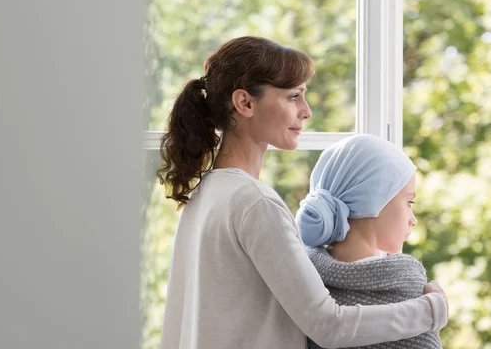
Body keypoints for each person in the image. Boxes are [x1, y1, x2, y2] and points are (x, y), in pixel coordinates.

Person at [157, 36, 447, 349]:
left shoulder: (205, 193)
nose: (306, 111)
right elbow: (329, 325)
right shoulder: (255, 203)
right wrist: (431, 309)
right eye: (293, 97)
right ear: (245, 103)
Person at [297, 134, 443, 348]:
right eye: (409, 202)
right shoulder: (408, 287)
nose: (413, 219)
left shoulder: (307, 283)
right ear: (375, 199)